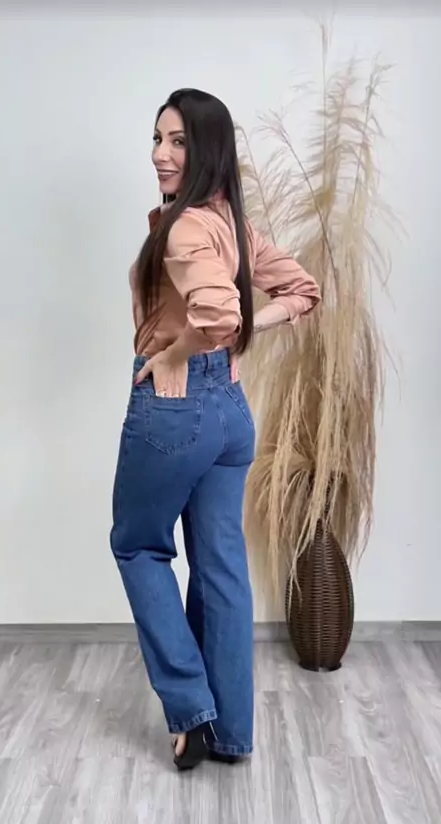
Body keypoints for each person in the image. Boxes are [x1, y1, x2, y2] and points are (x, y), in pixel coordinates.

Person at [110, 88, 320, 771]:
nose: (160, 154)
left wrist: (177, 352)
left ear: (208, 152)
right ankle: (232, 734)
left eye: (178, 142)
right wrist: (235, 337)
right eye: (157, 138)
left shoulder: (186, 229)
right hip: (231, 414)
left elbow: (221, 316)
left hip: (174, 409)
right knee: (221, 566)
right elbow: (302, 291)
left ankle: (191, 710)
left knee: (138, 547)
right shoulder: (234, 225)